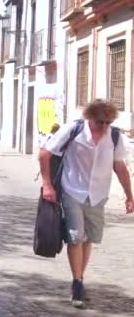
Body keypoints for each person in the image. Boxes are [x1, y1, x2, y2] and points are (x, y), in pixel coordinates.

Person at [39, 99, 134, 309]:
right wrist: (48, 185)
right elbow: (45, 152)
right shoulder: (74, 129)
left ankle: (80, 277)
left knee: (87, 238)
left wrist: (129, 196)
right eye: (100, 122)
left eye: (108, 122)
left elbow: (120, 168)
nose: (104, 126)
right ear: (90, 117)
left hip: (98, 194)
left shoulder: (115, 137)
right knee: (75, 237)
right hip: (73, 190)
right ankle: (77, 283)